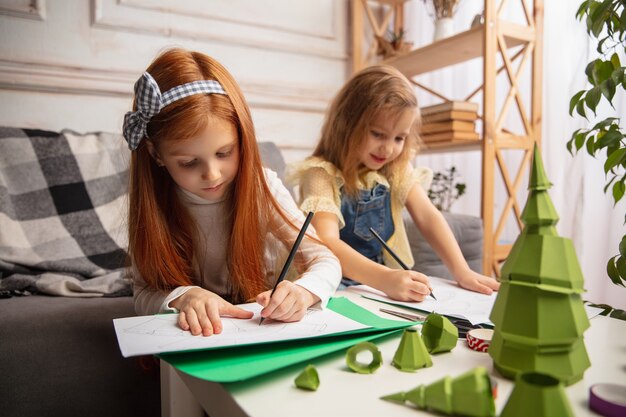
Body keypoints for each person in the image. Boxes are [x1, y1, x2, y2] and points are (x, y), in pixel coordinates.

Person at [123, 48, 341, 336]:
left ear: (242, 139)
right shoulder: (154, 204)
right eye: (188, 162)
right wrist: (184, 296)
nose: (212, 174)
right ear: (156, 154)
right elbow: (142, 293)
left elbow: (325, 260)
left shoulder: (263, 189)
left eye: (224, 152)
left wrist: (304, 292)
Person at [287, 65, 499, 302]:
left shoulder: (395, 168)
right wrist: (386, 279)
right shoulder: (319, 174)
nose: (388, 149)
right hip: (327, 285)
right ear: (347, 125)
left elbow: (428, 216)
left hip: (377, 285)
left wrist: (462, 271)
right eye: (377, 134)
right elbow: (327, 242)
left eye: (399, 138)